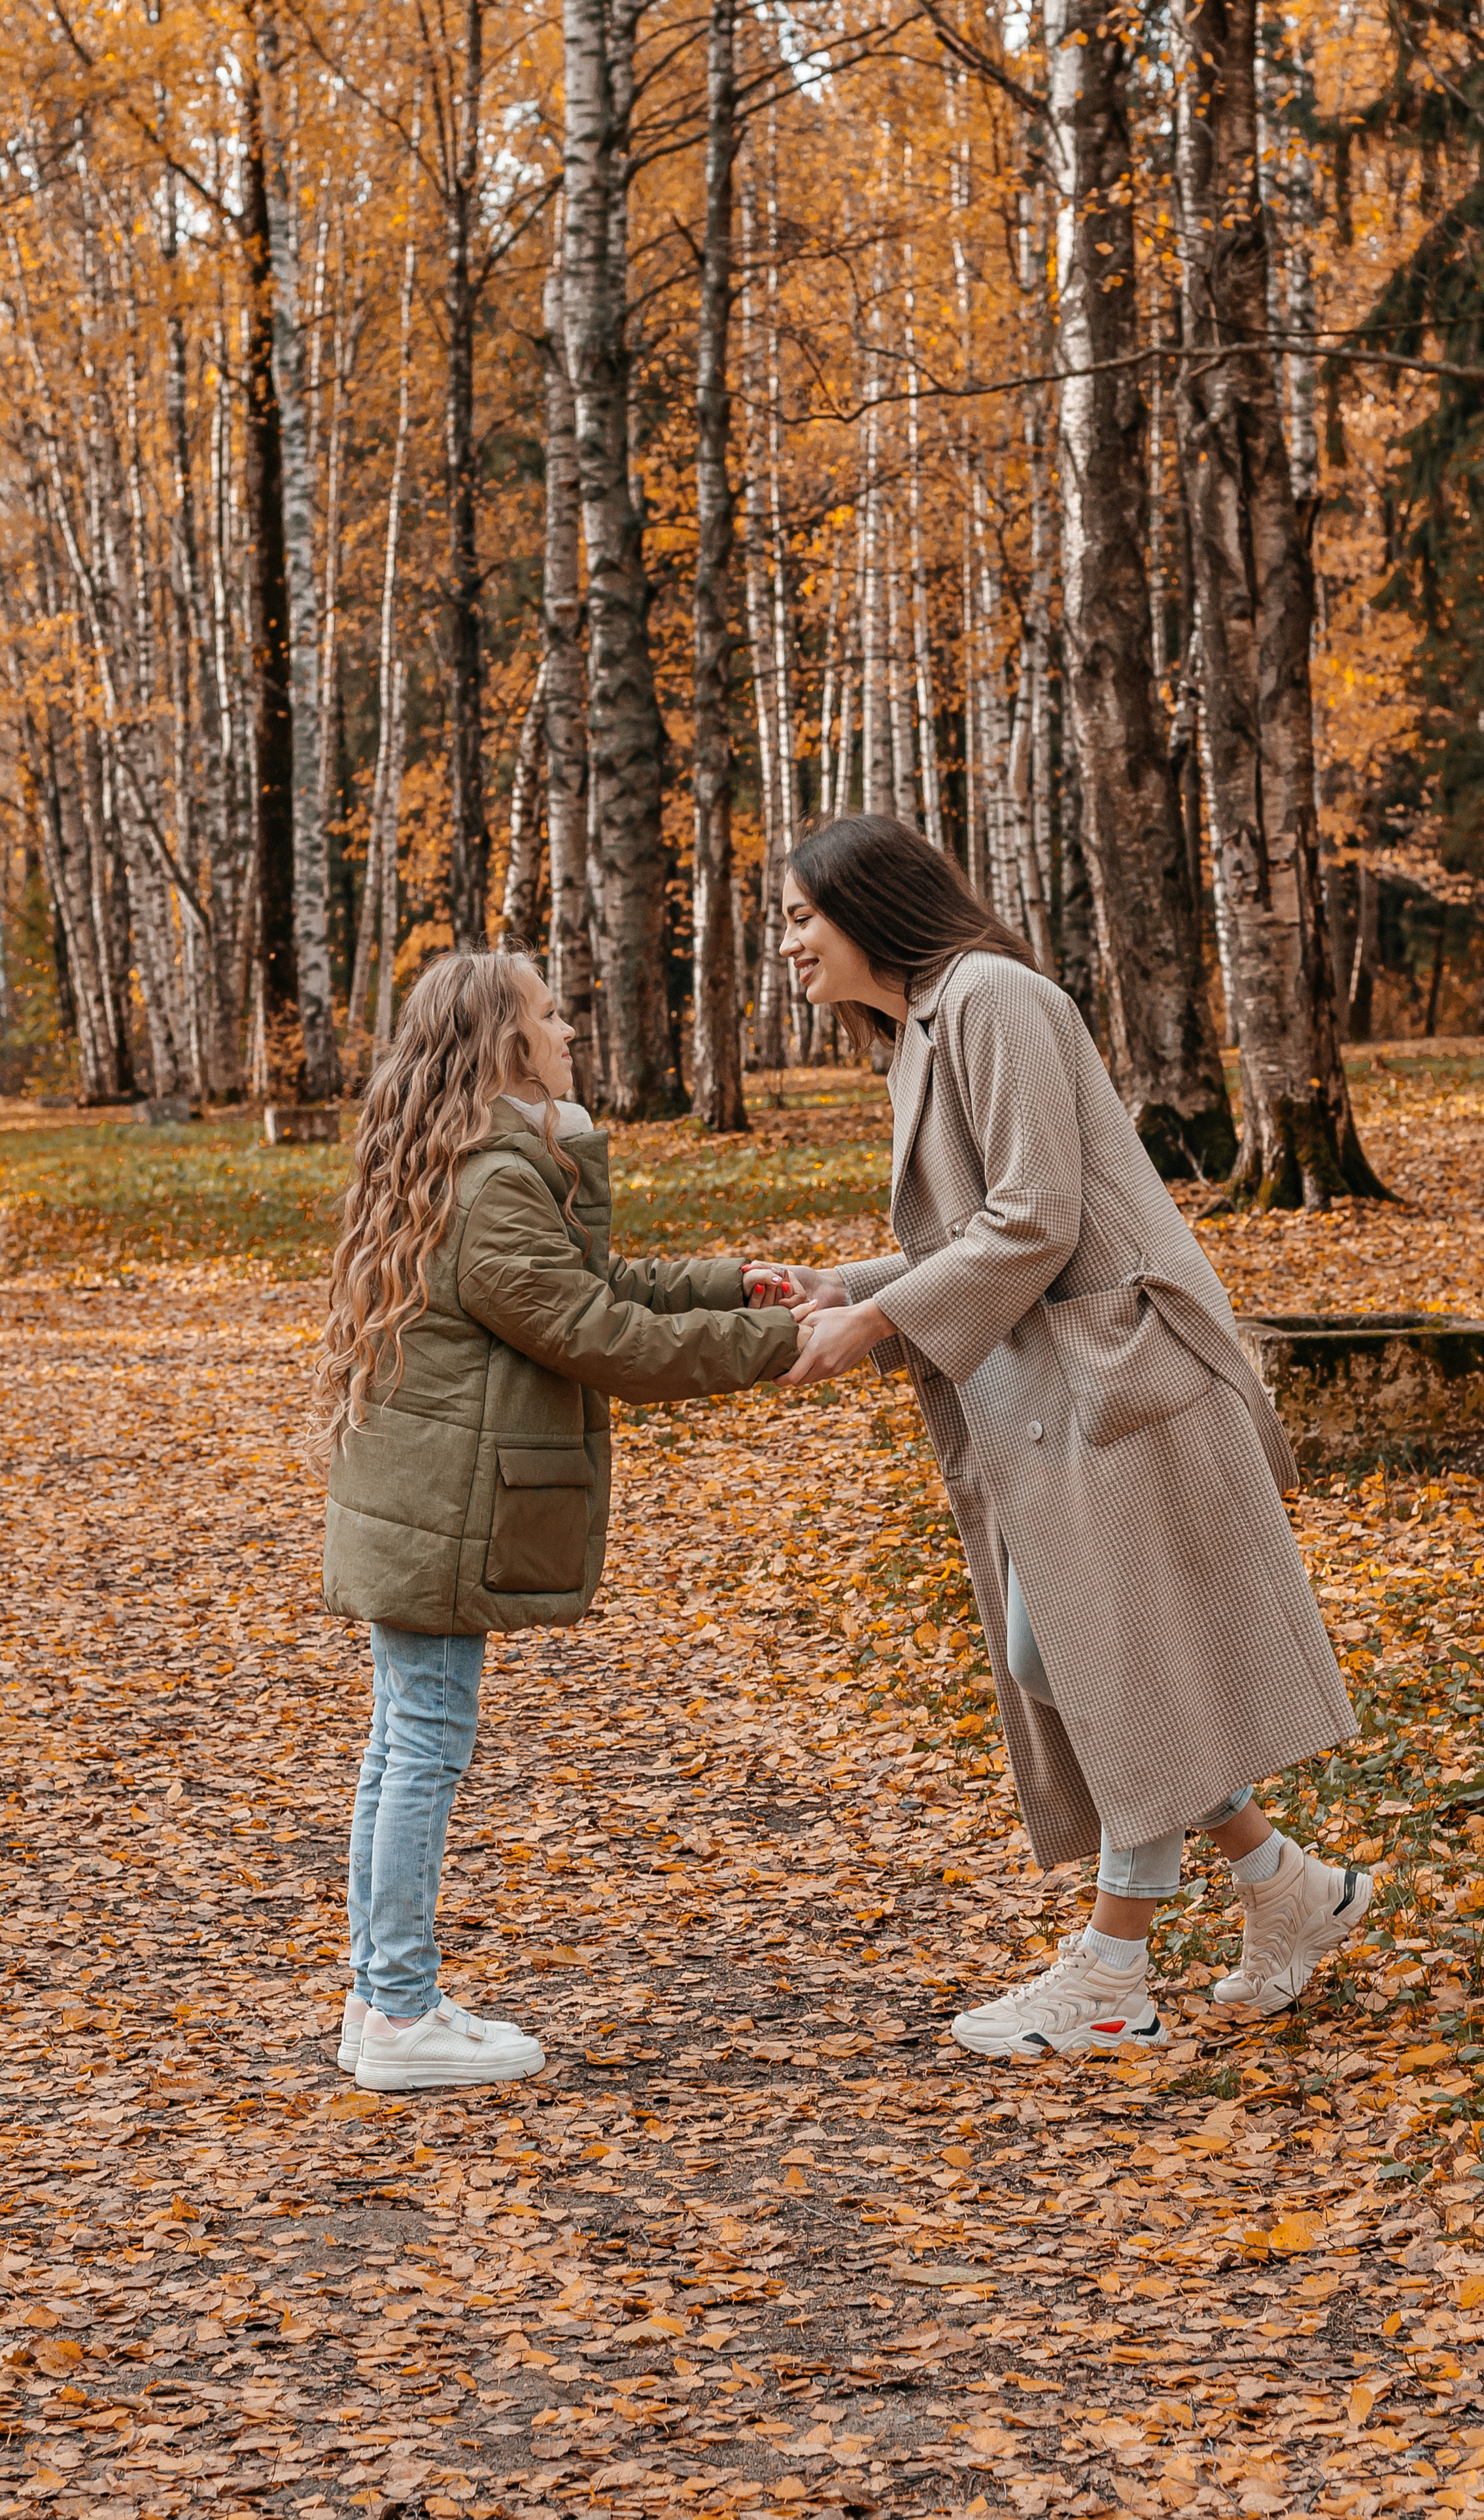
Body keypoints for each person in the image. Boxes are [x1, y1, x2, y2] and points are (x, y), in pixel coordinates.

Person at [775, 817, 1372, 2060]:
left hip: (1126, 1382)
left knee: (1101, 1659)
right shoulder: (922, 1028)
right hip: (1075, 1394)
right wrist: (848, 1281)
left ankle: (1112, 1969)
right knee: (1079, 1658)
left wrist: (883, 1322)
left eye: (798, 917)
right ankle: (1285, 1886)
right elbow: (988, 1229)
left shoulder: (993, 998)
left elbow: (1038, 1220)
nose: (786, 944)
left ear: (867, 908)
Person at [310, 949, 801, 2092]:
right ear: (502, 1046)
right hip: (441, 1511)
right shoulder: (488, 1185)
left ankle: (383, 1995)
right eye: (548, 1015)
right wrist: (785, 1348)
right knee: (421, 1739)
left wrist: (739, 1282)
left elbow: (596, 1280)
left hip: (422, 1504)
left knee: (403, 1739)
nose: (568, 1026)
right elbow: (597, 1334)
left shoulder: (483, 1166)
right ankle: (395, 2010)